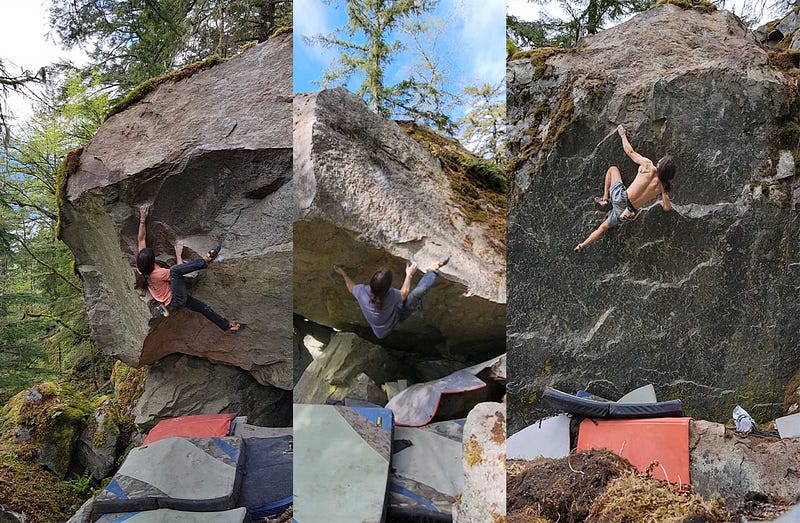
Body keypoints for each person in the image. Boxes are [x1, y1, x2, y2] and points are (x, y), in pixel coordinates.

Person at [135, 203, 241, 332]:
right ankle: (205, 260)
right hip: (176, 298)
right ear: (151, 262)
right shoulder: (158, 273)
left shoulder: (141, 267)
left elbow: (141, 240)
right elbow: (179, 271)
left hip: (172, 301)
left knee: (203, 308)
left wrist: (142, 220)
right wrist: (178, 254)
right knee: (174, 270)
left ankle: (228, 326)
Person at [575, 125, 676, 252]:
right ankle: (582, 246)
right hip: (626, 209)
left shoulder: (648, 165)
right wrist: (664, 194)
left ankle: (605, 199)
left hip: (621, 197)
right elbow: (667, 208)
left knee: (612, 169)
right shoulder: (662, 187)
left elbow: (630, 151)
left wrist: (623, 135)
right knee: (602, 228)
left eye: (662, 160)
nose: (660, 159)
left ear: (660, 165)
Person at [334, 256, 450, 339]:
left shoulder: (362, 291)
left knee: (411, 298)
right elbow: (404, 294)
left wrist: (344, 274)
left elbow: (350, 287)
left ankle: (434, 270)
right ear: (389, 287)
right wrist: (409, 275)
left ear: (371, 283)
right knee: (416, 295)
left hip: (380, 331)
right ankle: (434, 269)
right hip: (396, 317)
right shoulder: (391, 295)